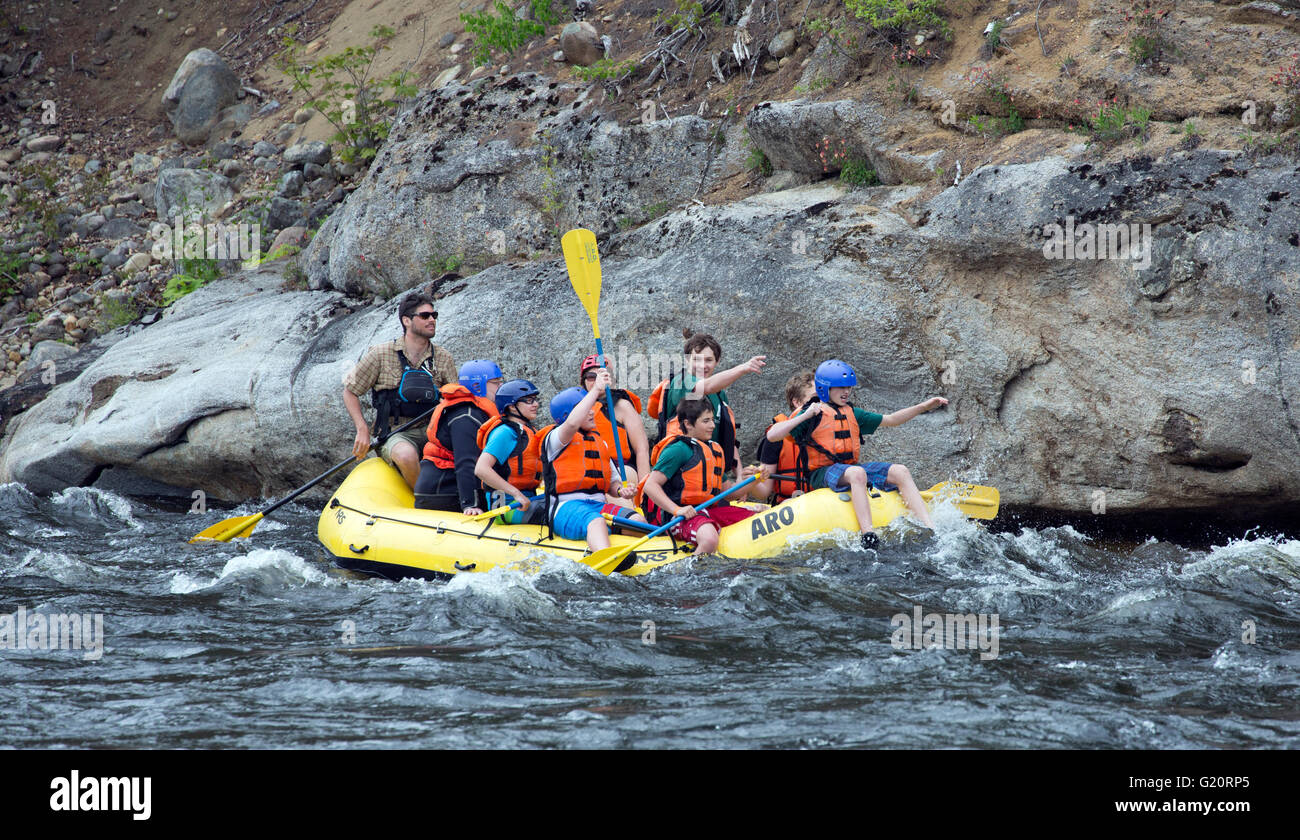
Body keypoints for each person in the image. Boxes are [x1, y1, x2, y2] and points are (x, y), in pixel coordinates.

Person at [774, 359, 948, 546]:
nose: (846, 391)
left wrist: (923, 407)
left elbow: (892, 420)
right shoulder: (812, 413)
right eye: (840, 387)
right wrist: (807, 415)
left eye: (848, 387)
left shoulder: (852, 413)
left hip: (849, 470)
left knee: (900, 471)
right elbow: (773, 436)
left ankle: (930, 528)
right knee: (857, 473)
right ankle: (868, 534)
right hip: (821, 473)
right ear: (826, 388)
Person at [342, 293, 457, 489]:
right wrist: (362, 429)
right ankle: (425, 501)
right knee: (406, 455)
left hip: (434, 431)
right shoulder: (380, 354)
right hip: (396, 433)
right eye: (425, 316)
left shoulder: (443, 357)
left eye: (434, 315)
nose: (432, 320)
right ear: (406, 320)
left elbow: (456, 400)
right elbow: (350, 391)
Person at [529, 370, 644, 551]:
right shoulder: (555, 439)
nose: (592, 413)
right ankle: (605, 556)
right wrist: (596, 389)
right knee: (596, 521)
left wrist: (622, 491)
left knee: (638, 521)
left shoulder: (600, 442)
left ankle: (621, 547)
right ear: (569, 414)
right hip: (566, 507)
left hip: (598, 504)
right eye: (586, 409)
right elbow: (572, 424)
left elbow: (612, 485)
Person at [637, 397, 762, 555]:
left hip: (707, 512)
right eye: (705, 421)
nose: (712, 426)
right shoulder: (678, 450)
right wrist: (677, 510)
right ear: (688, 424)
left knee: (758, 516)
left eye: (712, 420)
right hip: (679, 518)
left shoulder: (714, 450)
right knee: (709, 539)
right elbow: (650, 485)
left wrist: (757, 480)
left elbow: (728, 494)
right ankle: (690, 575)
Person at [646, 332, 765, 475]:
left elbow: (729, 436)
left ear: (717, 361)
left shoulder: (719, 394)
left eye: (708, 360)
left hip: (711, 471)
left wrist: (739, 474)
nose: (702, 365)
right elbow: (705, 387)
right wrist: (742, 368)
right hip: (682, 473)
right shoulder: (681, 382)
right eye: (697, 359)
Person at [413, 360, 503, 514]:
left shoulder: (479, 411)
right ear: (477, 386)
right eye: (495, 383)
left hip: (454, 485)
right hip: (442, 491)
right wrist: (471, 504)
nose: (501, 387)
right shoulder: (466, 416)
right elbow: (466, 462)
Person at [473, 379, 545, 525]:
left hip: (527, 499)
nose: (536, 404)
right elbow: (481, 469)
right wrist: (516, 494)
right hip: (506, 507)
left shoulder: (529, 431)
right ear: (512, 407)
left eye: (535, 400)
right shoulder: (505, 432)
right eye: (529, 401)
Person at [578, 353, 650, 496]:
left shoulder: (622, 406)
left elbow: (641, 448)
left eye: (603, 375)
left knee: (627, 474)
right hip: (588, 469)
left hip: (620, 468)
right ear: (583, 381)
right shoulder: (577, 407)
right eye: (592, 377)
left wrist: (645, 489)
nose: (597, 381)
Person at [752, 370, 817, 504]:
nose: (821, 402)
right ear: (797, 402)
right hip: (787, 504)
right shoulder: (776, 437)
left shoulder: (829, 430)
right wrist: (749, 482)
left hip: (822, 502)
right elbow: (764, 491)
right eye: (815, 397)